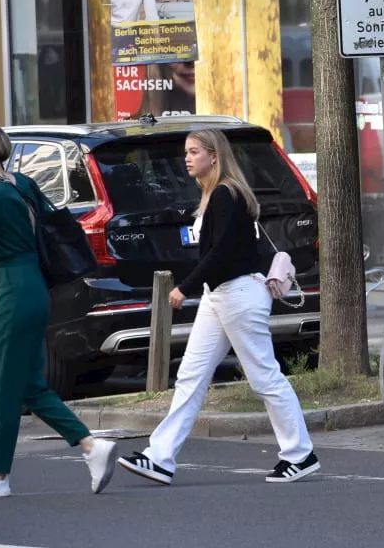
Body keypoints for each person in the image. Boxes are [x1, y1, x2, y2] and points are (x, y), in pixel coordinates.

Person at [117, 129, 319, 485]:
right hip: (219, 296)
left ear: (215, 156)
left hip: (239, 294)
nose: (187, 158)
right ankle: (159, 457)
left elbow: (221, 252)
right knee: (191, 377)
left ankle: (300, 455)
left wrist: (185, 287)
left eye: (194, 151)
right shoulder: (216, 195)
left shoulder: (226, 194)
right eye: (186, 152)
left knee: (264, 377)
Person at [0, 123, 118, 498]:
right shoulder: (21, 184)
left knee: (2, 388)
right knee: (28, 384)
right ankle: (91, 446)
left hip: (11, 290)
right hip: (36, 287)